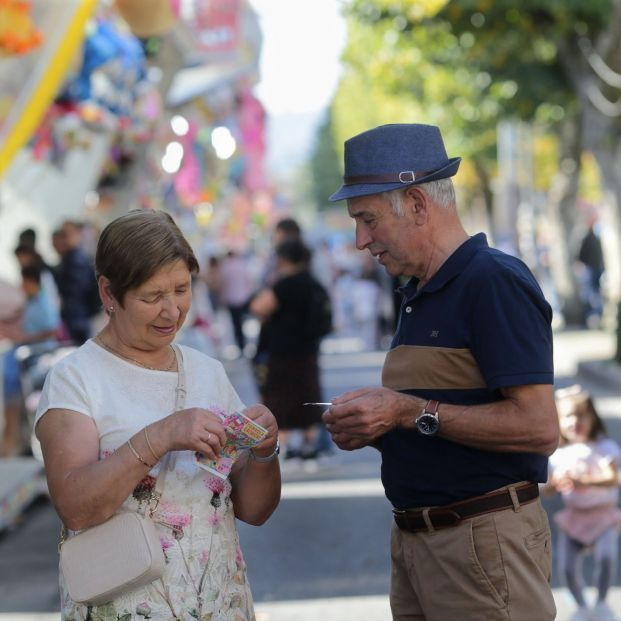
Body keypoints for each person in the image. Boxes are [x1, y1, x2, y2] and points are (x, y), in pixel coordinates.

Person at [322, 123, 559, 620]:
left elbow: (539, 428)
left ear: (416, 203)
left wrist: (409, 413)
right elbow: (443, 413)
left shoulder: (492, 281)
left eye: (367, 220)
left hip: (481, 544)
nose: (360, 240)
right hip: (419, 545)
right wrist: (376, 426)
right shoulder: (418, 291)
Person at [35, 209, 281, 620]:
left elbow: (255, 510)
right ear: (109, 294)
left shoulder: (207, 371)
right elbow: (75, 506)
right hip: (125, 603)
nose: (172, 312)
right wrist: (160, 436)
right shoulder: (75, 380)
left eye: (182, 290)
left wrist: (264, 451)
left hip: (217, 602)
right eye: (152, 297)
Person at [544, 385, 621, 621]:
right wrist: (555, 483)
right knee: (566, 567)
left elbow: (612, 479)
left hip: (603, 516)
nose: (574, 421)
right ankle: (581, 607)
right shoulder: (558, 455)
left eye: (581, 414)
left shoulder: (605, 447)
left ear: (593, 418)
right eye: (568, 416)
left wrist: (582, 480)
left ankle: (600, 603)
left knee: (607, 559)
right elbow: (547, 491)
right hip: (574, 517)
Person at [250, 239, 328, 460]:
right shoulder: (314, 282)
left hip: (282, 351)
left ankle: (281, 445)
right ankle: (309, 443)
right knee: (307, 394)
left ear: (284, 259)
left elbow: (258, 307)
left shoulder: (285, 284)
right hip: (308, 349)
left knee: (280, 397)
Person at [1, 265, 60, 455]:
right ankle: (14, 440)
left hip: (37, 357)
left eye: (24, 282)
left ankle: (17, 442)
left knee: (27, 401)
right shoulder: (30, 302)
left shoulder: (44, 303)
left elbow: (51, 330)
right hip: (22, 357)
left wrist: (24, 339)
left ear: (31, 282)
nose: (21, 285)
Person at [52, 220, 99, 345]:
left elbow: (77, 292)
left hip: (79, 318)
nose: (55, 246)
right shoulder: (70, 259)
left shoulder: (75, 259)